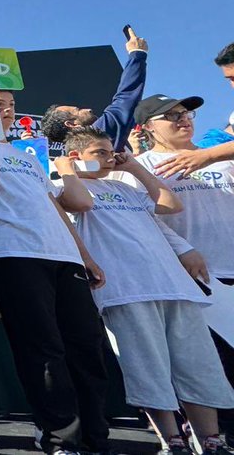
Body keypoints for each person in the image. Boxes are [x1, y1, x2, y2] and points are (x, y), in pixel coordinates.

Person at [55, 127, 234, 455]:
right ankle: (173, 441)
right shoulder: (61, 188)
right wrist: (67, 169)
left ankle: (210, 440)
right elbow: (78, 202)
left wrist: (134, 167)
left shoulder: (124, 186)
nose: (109, 159)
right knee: (148, 367)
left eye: (111, 152)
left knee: (199, 364)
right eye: (100, 153)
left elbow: (169, 205)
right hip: (126, 290)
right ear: (76, 156)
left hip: (173, 287)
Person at [0, 89, 110, 454]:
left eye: (9, 104)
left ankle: (95, 436)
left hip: (64, 257)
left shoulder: (28, 156)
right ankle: (59, 437)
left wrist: (84, 254)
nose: (5, 109)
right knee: (42, 349)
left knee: (86, 346)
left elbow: (53, 206)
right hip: (14, 253)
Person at [131, 94, 234, 430]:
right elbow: (142, 217)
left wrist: (208, 155)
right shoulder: (142, 166)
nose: (182, 119)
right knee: (213, 368)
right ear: (147, 127)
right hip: (196, 282)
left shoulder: (221, 159)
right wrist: (181, 250)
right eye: (170, 116)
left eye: (185, 113)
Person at [39, 31, 148, 151]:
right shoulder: (97, 134)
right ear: (72, 124)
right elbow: (125, 99)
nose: (88, 109)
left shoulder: (76, 154)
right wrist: (137, 53)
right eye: (78, 110)